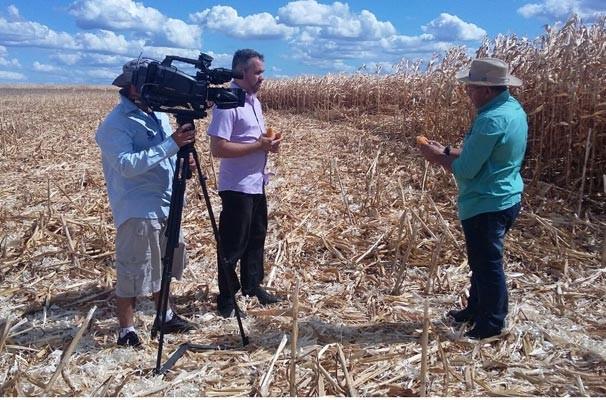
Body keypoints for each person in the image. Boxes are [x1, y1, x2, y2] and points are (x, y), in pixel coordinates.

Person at [418, 57, 527, 340]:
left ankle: (491, 324)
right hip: (507, 196)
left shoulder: (491, 120)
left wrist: (435, 158)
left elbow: (467, 169)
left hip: (487, 202)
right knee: (481, 260)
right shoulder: (512, 109)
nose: (468, 94)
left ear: (488, 90)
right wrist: (448, 150)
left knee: (487, 264)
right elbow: (487, 154)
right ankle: (476, 308)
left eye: (471, 89)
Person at [96, 58, 196, 347]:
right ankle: (126, 331)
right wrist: (172, 144)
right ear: (131, 88)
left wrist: (183, 159)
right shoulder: (115, 124)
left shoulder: (159, 115)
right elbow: (126, 165)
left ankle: (164, 314)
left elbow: (165, 152)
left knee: (166, 262)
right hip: (138, 206)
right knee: (133, 268)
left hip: (166, 200)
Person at [207, 49, 282, 318]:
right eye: (257, 72)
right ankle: (227, 297)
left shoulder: (253, 101)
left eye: (262, 71)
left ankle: (252, 286)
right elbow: (219, 148)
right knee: (233, 243)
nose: (262, 77)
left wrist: (267, 145)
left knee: (256, 236)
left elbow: (253, 140)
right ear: (240, 72)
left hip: (256, 182)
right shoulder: (228, 103)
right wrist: (256, 146)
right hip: (236, 186)